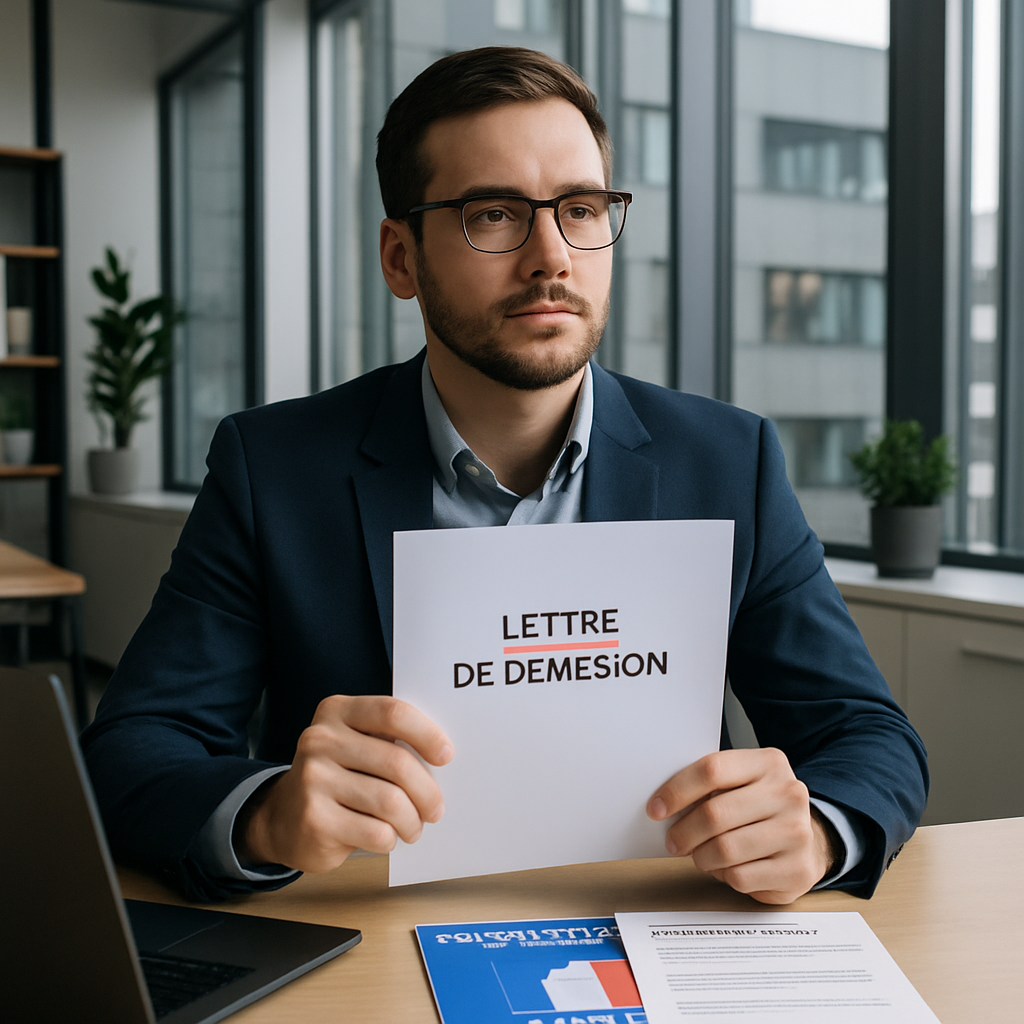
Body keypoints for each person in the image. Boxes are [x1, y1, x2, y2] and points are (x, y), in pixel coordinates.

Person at [81, 47, 927, 906]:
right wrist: (267, 814)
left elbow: (866, 735)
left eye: (581, 208)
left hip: (655, 932)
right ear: (400, 258)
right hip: (376, 938)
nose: (550, 257)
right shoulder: (276, 467)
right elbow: (133, 748)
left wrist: (819, 829)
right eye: (492, 214)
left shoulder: (727, 460)